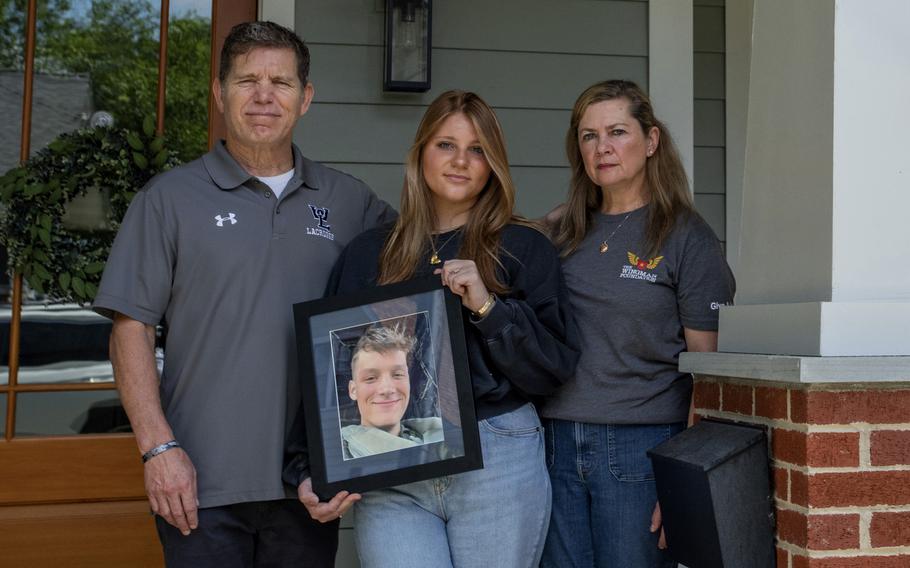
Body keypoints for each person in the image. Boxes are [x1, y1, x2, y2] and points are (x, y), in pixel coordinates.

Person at [93, 21, 394, 567]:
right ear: (219, 92)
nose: (262, 96)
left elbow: (419, 283)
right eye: (245, 80)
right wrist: (158, 450)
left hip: (308, 481)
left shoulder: (350, 202)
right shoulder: (168, 200)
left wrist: (360, 454)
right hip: (199, 485)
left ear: (305, 98)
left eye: (280, 82)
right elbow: (129, 328)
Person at [294, 90, 579, 567]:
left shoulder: (523, 248)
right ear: (421, 152)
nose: (461, 161)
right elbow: (328, 371)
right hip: (390, 457)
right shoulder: (370, 254)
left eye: (477, 149)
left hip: (496, 453)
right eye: (446, 144)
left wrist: (488, 307)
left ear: (494, 164)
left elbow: (552, 369)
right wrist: (314, 466)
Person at [539, 79, 736, 567]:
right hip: (554, 441)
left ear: (650, 142)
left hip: (641, 446)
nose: (602, 147)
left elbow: (707, 374)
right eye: (588, 135)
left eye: (617, 131)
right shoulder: (562, 230)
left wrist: (685, 483)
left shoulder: (686, 237)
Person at [341, 324, 444, 459]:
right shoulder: (337, 456)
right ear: (353, 390)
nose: (387, 389)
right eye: (371, 378)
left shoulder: (444, 435)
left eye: (397, 375)